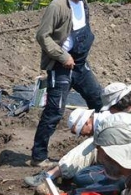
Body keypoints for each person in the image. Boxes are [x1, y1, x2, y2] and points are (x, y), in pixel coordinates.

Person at [30, 0, 102, 169]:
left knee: (99, 101)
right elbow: (42, 35)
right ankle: (38, 156)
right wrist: (62, 56)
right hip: (60, 66)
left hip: (80, 65)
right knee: (54, 111)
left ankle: (102, 147)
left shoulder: (83, 4)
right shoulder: (58, 6)